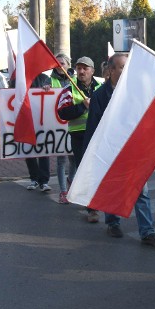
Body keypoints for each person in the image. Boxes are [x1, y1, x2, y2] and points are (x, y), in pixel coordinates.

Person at [83, 53, 155, 247]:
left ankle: (147, 232)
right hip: (110, 151)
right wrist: (91, 154)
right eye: (121, 67)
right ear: (111, 70)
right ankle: (112, 223)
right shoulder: (100, 95)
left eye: (128, 67)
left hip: (133, 151)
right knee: (112, 188)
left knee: (141, 192)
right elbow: (94, 126)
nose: (126, 71)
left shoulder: (136, 92)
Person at [57, 56, 103, 222]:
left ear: (92, 71)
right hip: (79, 135)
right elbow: (62, 113)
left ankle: (91, 200)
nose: (82, 71)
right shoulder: (69, 89)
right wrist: (82, 106)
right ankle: (92, 209)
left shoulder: (101, 87)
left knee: (97, 170)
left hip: (98, 134)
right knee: (87, 170)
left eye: (85, 68)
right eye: (79, 68)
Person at [14, 72, 52, 192]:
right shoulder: (18, 79)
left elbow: (52, 94)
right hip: (26, 120)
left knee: (43, 150)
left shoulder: (45, 78)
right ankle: (34, 179)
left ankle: (44, 181)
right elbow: (10, 95)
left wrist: (48, 87)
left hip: (42, 121)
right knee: (29, 150)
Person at [48, 53, 76, 204]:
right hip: (57, 128)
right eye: (57, 64)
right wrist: (45, 89)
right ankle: (63, 191)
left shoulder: (75, 80)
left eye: (62, 63)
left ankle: (70, 180)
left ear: (68, 65)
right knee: (61, 161)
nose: (59, 66)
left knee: (74, 160)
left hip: (72, 125)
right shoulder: (49, 79)